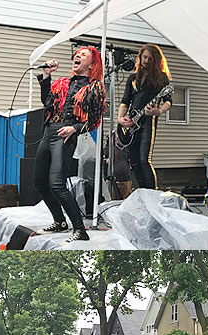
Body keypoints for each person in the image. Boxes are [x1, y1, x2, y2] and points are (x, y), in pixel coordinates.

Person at [35, 48, 107, 241]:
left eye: (83, 55)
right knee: (40, 182)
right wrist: (46, 76)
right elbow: (46, 102)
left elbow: (94, 121)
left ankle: (80, 230)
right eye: (77, 54)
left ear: (92, 64)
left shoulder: (94, 88)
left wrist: (74, 129)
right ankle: (59, 222)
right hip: (48, 132)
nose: (78, 56)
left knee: (57, 184)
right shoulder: (62, 83)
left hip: (65, 135)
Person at [117, 44, 172, 191]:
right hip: (132, 123)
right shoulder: (132, 78)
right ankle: (143, 192)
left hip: (148, 121)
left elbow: (168, 101)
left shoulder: (161, 78)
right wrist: (120, 118)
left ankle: (153, 194)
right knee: (134, 161)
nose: (146, 60)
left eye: (150, 58)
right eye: (144, 57)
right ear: (140, 57)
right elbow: (125, 100)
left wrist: (158, 111)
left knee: (144, 160)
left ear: (155, 60)